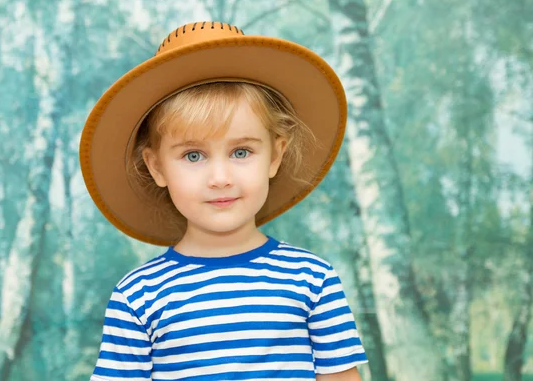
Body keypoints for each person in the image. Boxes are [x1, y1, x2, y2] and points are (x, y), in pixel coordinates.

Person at [79, 21, 368, 381]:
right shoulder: (137, 297)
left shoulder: (312, 280)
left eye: (241, 151)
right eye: (194, 156)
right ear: (157, 167)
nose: (220, 178)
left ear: (275, 157)